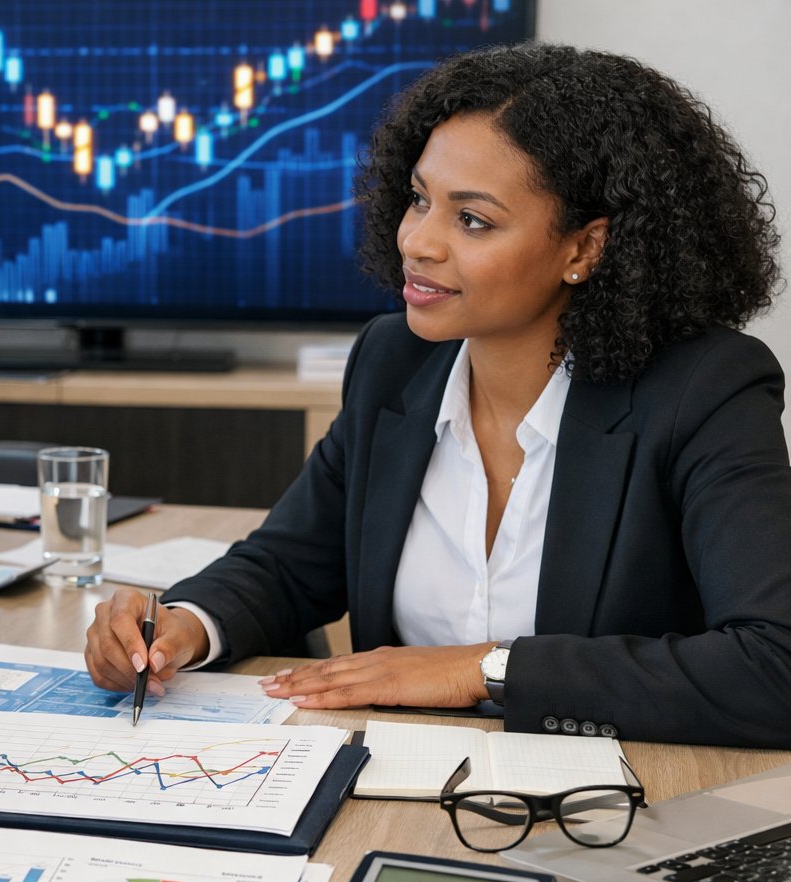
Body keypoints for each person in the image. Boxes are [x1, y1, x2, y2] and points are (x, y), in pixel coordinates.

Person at [84, 42, 791, 748]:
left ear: (585, 249)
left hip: (610, 806)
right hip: (395, 787)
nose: (417, 242)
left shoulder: (704, 390)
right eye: (420, 199)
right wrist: (183, 625)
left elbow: (774, 666)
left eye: (472, 219)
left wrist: (486, 671)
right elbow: (289, 566)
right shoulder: (395, 360)